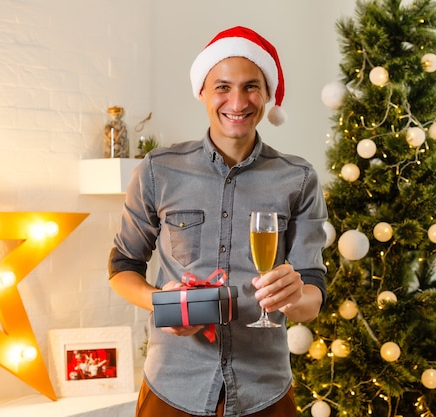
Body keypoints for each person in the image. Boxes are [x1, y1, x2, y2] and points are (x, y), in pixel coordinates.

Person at [108, 26, 327, 417]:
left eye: (251, 86)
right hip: (173, 387)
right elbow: (122, 267)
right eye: (223, 86)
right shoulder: (159, 170)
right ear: (204, 92)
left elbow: (312, 292)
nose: (238, 101)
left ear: (267, 95)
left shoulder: (299, 178)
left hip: (265, 390)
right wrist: (163, 305)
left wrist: (294, 296)